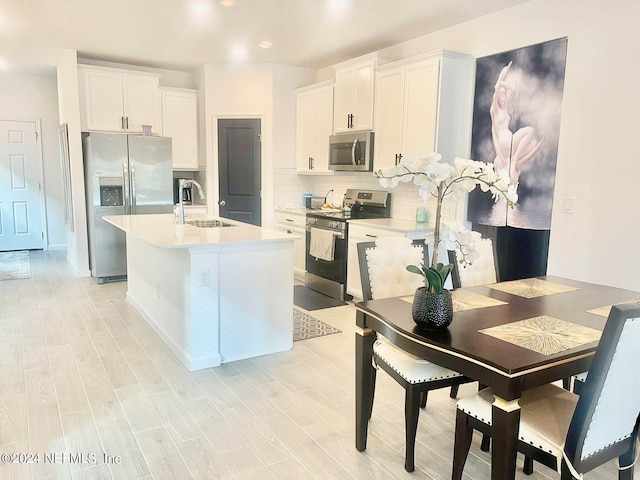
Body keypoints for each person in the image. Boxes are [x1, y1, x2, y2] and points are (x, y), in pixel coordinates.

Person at [490, 61, 543, 184]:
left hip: (509, 142)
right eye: (501, 96)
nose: (503, 98)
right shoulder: (495, 110)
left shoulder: (504, 108)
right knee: (530, 130)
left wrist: (503, 86)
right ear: (497, 97)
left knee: (532, 143)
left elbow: (513, 90)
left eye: (504, 95)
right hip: (506, 143)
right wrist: (500, 84)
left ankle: (513, 163)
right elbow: (497, 89)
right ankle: (513, 161)